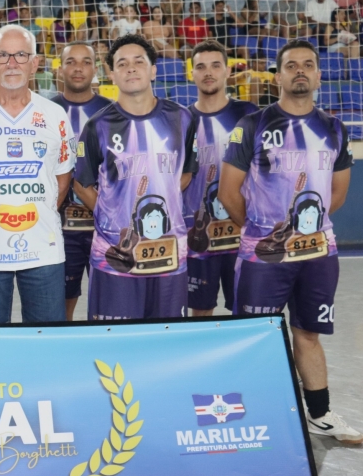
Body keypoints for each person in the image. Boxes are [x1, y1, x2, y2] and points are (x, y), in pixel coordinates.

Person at [218, 39, 361, 445]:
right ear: (277, 76)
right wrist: (261, 233)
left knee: (308, 333)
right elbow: (228, 192)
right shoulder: (253, 125)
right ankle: (248, 414)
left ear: (318, 75)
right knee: (254, 334)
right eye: (292, 65)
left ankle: (320, 414)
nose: (300, 70)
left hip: (318, 253)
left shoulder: (334, 128)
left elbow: (337, 195)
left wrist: (305, 232)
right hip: (263, 257)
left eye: (308, 65)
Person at [0, 25, 75, 324]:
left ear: (35, 63)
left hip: (43, 247)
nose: (12, 63)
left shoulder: (55, 115)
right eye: (3, 55)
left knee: (47, 337)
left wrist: (38, 209)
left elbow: (62, 179)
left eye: (21, 55)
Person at [74, 34, 197, 321]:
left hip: (168, 254)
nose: (130, 68)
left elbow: (187, 173)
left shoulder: (182, 118)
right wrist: (111, 212)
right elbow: (81, 183)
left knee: (166, 337)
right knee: (116, 341)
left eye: (139, 61)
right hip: (115, 254)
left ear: (153, 70)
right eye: (122, 63)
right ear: (112, 75)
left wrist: (164, 195)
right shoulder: (97, 125)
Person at [182, 40, 256, 318]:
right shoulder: (181, 120)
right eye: (201, 67)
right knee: (200, 314)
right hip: (198, 236)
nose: (208, 72)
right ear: (192, 73)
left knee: (246, 312)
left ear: (227, 71)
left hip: (243, 232)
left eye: (215, 65)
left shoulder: (249, 115)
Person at [54, 42, 113, 320]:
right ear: (59, 69)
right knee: (61, 306)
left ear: (96, 68)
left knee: (108, 306)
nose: (78, 68)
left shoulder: (113, 112)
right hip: (59, 227)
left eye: (86, 62)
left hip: (105, 227)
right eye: (71, 62)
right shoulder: (45, 111)